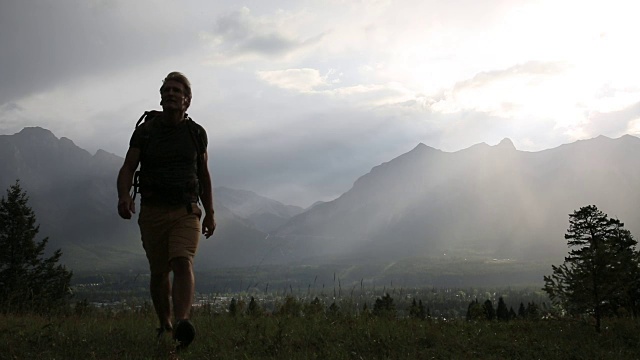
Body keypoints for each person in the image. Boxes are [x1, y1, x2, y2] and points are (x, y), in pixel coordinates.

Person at [117, 71, 215, 350]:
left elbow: (204, 175)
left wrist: (210, 212)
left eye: (176, 90)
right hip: (152, 212)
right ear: (161, 97)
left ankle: (183, 322)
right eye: (166, 90)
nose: (170, 94)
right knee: (159, 272)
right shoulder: (145, 131)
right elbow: (128, 167)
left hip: (187, 210)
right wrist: (124, 196)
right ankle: (166, 324)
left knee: (182, 261)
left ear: (187, 100)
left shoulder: (196, 134)